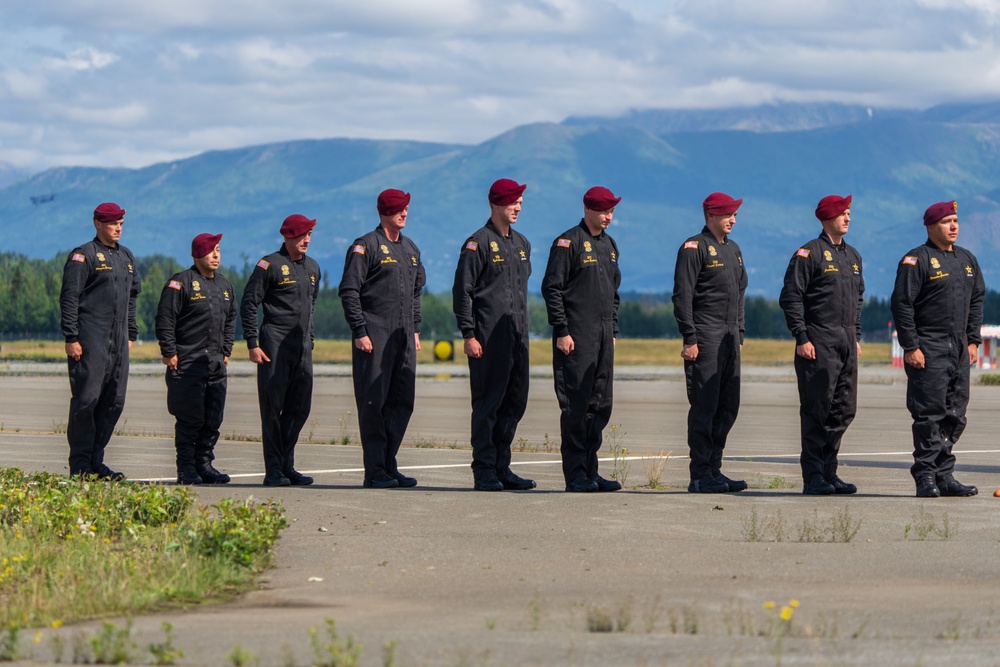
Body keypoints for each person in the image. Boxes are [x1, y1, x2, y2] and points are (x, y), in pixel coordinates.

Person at [890, 200, 984, 498]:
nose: (954, 226)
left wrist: (972, 340)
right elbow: (901, 304)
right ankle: (926, 476)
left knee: (955, 413)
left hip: (958, 347)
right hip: (928, 345)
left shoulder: (967, 260)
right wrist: (911, 345)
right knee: (929, 414)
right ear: (931, 226)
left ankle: (945, 475)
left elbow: (976, 301)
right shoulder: (917, 260)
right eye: (947, 222)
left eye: (956, 220)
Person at [339, 189, 426, 488]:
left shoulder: (410, 248)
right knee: (374, 402)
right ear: (384, 211)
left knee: (402, 401)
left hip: (403, 336)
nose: (404, 213)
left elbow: (416, 291)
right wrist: (359, 330)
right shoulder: (366, 246)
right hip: (374, 332)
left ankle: (389, 465)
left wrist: (415, 328)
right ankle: (374, 470)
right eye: (398, 208)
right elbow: (349, 291)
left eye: (406, 208)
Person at [452, 178, 536, 491]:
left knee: (515, 403)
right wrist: (469, 334)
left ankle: (503, 467)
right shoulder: (478, 243)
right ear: (496, 204)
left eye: (520, 203)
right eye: (513, 202)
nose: (517, 208)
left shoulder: (522, 244)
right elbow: (463, 292)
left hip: (518, 336)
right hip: (488, 337)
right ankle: (484, 470)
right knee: (489, 405)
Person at [779, 195, 863, 495]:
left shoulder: (853, 256)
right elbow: (790, 298)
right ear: (828, 216)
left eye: (849, 213)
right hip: (819, 340)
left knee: (843, 409)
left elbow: (858, 300)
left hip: (846, 341)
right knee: (818, 409)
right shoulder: (809, 253)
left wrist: (857, 336)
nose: (848, 218)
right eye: (843, 213)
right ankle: (814, 475)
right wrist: (801, 336)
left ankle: (830, 472)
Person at [541, 186, 623, 493]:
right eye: (603, 211)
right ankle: (575, 474)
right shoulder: (568, 243)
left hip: (602, 336)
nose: (608, 217)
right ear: (588, 209)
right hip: (576, 336)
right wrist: (562, 330)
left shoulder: (609, 245)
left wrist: (612, 330)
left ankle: (591, 470)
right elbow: (552, 288)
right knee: (576, 406)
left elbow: (613, 294)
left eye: (611, 211)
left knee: (599, 405)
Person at [672, 192, 748, 493]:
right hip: (705, 335)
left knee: (728, 406)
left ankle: (715, 469)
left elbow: (740, 295)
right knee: (705, 406)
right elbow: (682, 295)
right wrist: (690, 337)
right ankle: (700, 474)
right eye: (728, 214)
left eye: (735, 215)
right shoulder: (694, 248)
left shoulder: (734, 250)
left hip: (730, 337)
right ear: (711, 216)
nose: (733, 219)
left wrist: (739, 333)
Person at [59, 202, 141, 479]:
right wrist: (71, 336)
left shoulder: (126, 257)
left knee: (113, 402)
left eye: (120, 223)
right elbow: (69, 298)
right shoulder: (83, 256)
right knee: (87, 400)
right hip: (90, 337)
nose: (117, 228)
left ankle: (96, 461)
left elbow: (132, 297)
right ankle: (80, 465)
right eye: (111, 223)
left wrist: (131, 332)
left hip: (118, 341)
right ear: (97, 224)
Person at [241, 214, 321, 487]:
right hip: (274, 346)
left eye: (309, 235)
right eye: (301, 235)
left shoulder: (312, 267)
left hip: (302, 348)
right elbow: (249, 304)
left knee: (300, 408)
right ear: (287, 237)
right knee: (274, 410)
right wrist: (252, 343)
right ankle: (274, 470)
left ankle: (288, 464)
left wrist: (309, 338)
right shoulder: (269, 265)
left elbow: (312, 307)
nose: (306, 240)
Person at [155, 233, 236, 485]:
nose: (215, 255)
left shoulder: (224, 286)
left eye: (218, 250)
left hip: (215, 364)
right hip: (187, 363)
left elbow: (232, 318)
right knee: (190, 418)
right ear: (197, 254)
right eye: (210, 250)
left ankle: (204, 464)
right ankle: (186, 468)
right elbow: (165, 319)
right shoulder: (181, 283)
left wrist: (226, 350)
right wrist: (169, 352)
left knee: (213, 418)